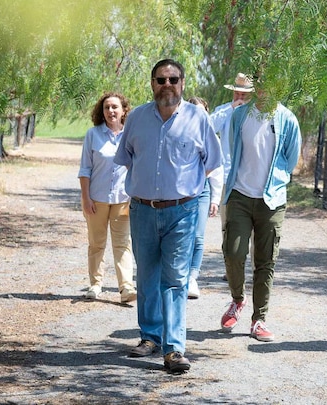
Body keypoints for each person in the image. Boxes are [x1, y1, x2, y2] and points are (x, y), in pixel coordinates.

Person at [114, 59, 222, 375]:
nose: (167, 85)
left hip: (182, 212)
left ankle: (174, 349)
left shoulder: (198, 117)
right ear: (152, 83)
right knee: (147, 275)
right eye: (161, 79)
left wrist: (184, 189)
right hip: (143, 209)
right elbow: (125, 158)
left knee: (174, 279)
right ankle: (149, 337)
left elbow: (212, 161)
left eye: (173, 79)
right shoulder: (135, 119)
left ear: (182, 83)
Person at [219, 78, 301, 343]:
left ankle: (259, 319)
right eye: (263, 80)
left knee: (265, 260)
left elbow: (290, 159)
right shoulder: (240, 115)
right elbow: (233, 149)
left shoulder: (287, 119)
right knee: (233, 252)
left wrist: (276, 183)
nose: (267, 86)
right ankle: (237, 299)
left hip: (272, 199)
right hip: (240, 195)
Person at [77, 92, 137, 304]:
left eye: (115, 107)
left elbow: (136, 168)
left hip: (123, 199)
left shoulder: (130, 135)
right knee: (96, 243)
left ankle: (126, 288)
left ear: (123, 111)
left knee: (123, 244)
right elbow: (85, 169)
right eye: (106, 107)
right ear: (101, 112)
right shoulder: (93, 135)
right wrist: (86, 198)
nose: (111, 111)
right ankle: (95, 284)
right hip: (97, 199)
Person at [186, 96, 224, 299]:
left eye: (202, 111)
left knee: (198, 236)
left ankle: (192, 277)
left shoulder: (212, 138)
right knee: (181, 235)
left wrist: (215, 199)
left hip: (202, 191)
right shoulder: (178, 132)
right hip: (179, 192)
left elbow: (217, 170)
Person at [210, 73, 254, 233]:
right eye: (237, 93)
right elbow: (210, 128)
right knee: (227, 224)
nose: (239, 96)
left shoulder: (256, 113)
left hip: (250, 178)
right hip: (227, 177)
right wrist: (231, 109)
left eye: (244, 94)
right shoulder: (223, 110)